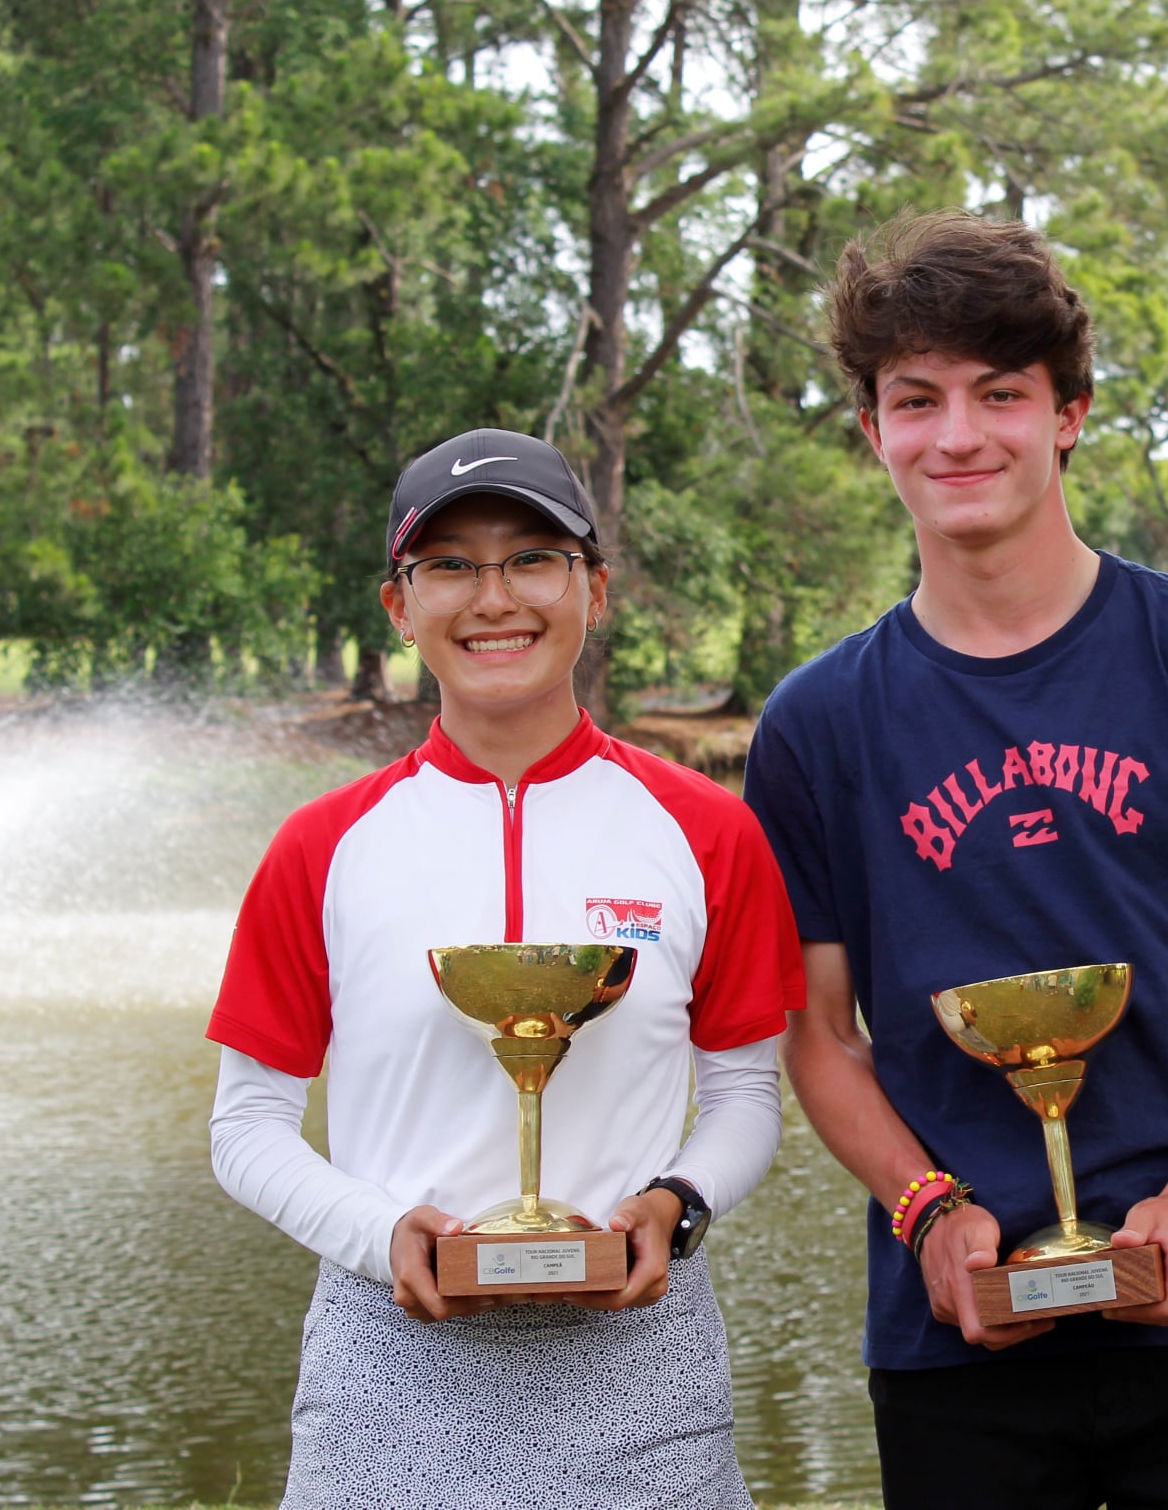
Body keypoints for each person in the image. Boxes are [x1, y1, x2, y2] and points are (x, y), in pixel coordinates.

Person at [741, 211, 1168, 1510]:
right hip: (955, 1326)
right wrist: (926, 1212)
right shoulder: (816, 723)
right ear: (874, 431)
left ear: (1069, 413)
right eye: (916, 400)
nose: (958, 435)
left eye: (1000, 393)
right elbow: (810, 1029)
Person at [206, 427, 804, 1510]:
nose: (495, 597)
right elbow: (246, 1122)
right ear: (399, 604)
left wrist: (677, 1200)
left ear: (594, 589)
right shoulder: (324, 844)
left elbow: (747, 1092)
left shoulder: (707, 831)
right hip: (386, 1367)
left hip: (640, 1372)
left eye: (533, 557)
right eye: (451, 565)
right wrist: (380, 1232)